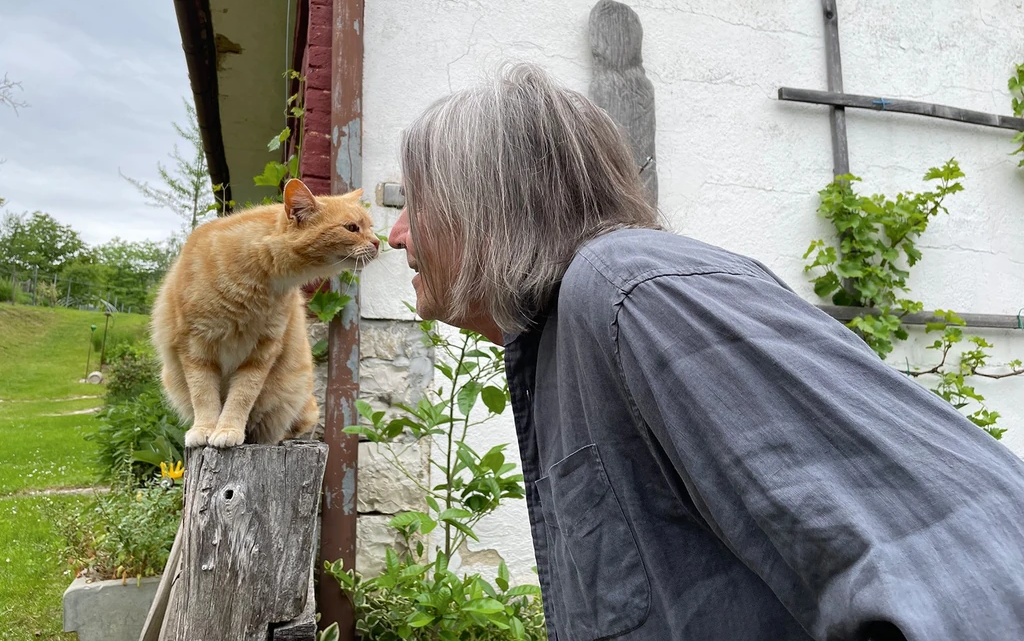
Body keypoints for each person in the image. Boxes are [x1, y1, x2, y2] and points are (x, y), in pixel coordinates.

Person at [387, 63, 1024, 641]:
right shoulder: (567, 339)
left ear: (486, 206)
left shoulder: (634, 293)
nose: (395, 235)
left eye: (415, 203)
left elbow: (968, 567)